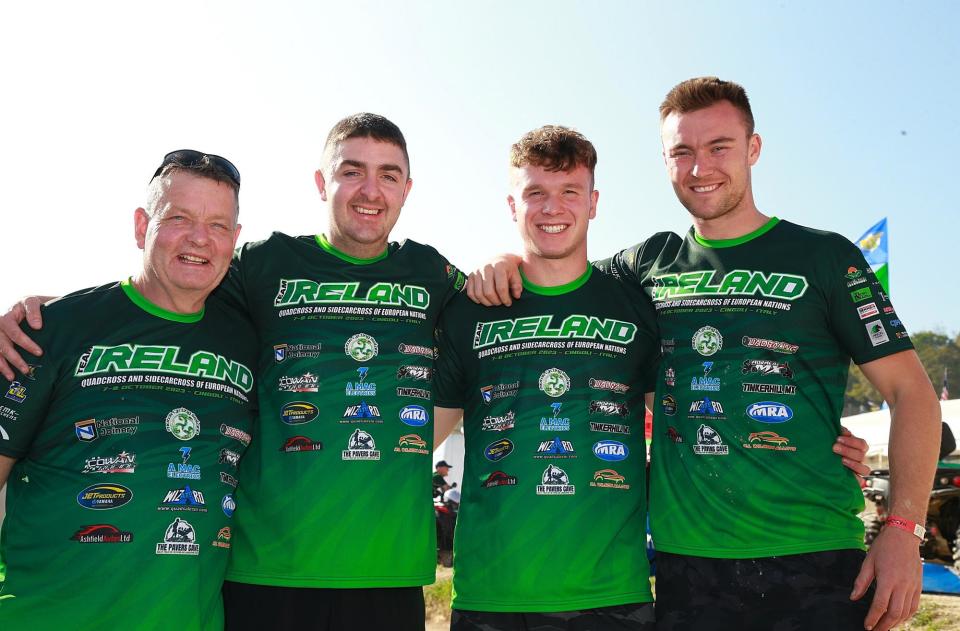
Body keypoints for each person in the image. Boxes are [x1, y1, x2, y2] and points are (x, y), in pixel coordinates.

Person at [468, 78, 941, 631]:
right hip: (687, 568)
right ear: (664, 162)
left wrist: (904, 531)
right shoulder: (647, 264)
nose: (700, 168)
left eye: (719, 147)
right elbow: (562, 266)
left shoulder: (825, 256)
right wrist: (503, 258)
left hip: (816, 555)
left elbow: (912, 395)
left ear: (753, 149)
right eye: (682, 153)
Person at [0, 115, 465, 631]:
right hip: (259, 573)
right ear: (321, 182)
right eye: (351, 171)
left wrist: (508, 260)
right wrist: (48, 313)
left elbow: (503, 314)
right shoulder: (264, 264)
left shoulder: (431, 273)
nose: (370, 191)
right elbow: (165, 289)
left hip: (387, 575)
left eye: (389, 175)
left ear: (408, 189)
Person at [0, 150, 257, 629]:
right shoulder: (47, 331)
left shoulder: (250, 343)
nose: (200, 238)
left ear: (234, 239)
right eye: (179, 218)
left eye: (219, 225)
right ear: (142, 226)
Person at [431, 125, 659, 629]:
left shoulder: (634, 303)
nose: (552, 208)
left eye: (569, 192)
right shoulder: (471, 310)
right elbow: (419, 434)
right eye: (535, 193)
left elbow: (687, 418)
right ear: (512, 205)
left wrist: (815, 439)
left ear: (593, 202)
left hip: (612, 597)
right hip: (493, 599)